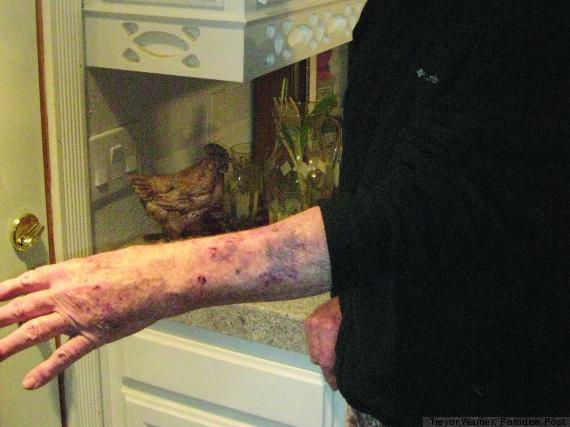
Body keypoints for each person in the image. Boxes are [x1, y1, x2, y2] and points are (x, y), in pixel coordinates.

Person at [1, 2, 568, 426]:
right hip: (387, 393)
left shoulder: (531, 19)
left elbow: (428, 208)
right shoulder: (395, 10)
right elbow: (389, 176)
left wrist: (157, 280)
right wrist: (356, 299)